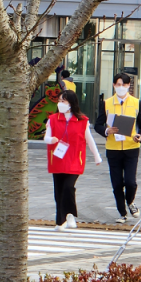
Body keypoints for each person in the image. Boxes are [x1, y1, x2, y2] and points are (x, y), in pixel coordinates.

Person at [94, 72, 141, 224]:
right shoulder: (106, 103)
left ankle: (130, 201)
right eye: (118, 84)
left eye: (124, 85)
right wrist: (106, 131)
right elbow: (98, 124)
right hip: (113, 148)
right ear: (114, 85)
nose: (122, 87)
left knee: (130, 182)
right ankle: (122, 213)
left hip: (131, 147)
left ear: (129, 86)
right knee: (117, 183)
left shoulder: (136, 103)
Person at [45, 90, 102, 231]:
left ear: (71, 103)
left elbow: (89, 140)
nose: (60, 104)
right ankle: (62, 220)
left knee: (68, 187)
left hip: (74, 160)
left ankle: (68, 214)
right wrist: (50, 140)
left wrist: (96, 155)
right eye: (59, 101)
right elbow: (46, 137)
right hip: (57, 159)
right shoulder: (52, 119)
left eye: (63, 101)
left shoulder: (82, 121)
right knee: (58, 191)